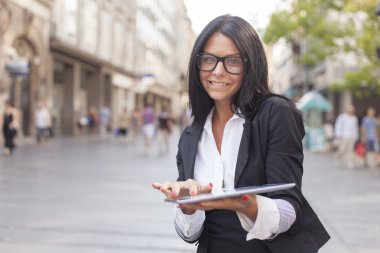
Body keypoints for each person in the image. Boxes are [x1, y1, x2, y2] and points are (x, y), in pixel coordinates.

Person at [152, 15, 329, 253]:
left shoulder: (275, 113)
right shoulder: (190, 136)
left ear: (251, 65)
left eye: (232, 61)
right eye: (208, 59)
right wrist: (187, 205)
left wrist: (245, 204)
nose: (218, 71)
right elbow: (190, 234)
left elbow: (288, 210)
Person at [334, 105, 359, 169]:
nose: (351, 110)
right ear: (347, 109)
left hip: (351, 136)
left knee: (350, 150)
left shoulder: (354, 118)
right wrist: (338, 134)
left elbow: (355, 128)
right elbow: (338, 126)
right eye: (350, 108)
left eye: (352, 109)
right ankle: (338, 157)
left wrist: (356, 136)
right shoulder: (342, 117)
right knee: (342, 149)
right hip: (344, 136)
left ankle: (349, 162)